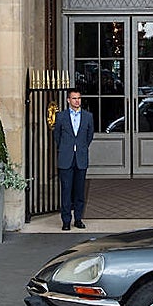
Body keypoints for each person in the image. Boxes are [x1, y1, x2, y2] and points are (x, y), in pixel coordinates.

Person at [54, 88, 95, 231]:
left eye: (79, 98)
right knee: (66, 190)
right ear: (68, 100)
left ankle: (78, 219)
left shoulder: (88, 116)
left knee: (79, 191)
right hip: (66, 158)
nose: (77, 101)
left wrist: (81, 148)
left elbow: (90, 136)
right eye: (74, 98)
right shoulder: (61, 116)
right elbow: (57, 136)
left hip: (81, 158)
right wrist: (66, 148)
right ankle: (66, 220)